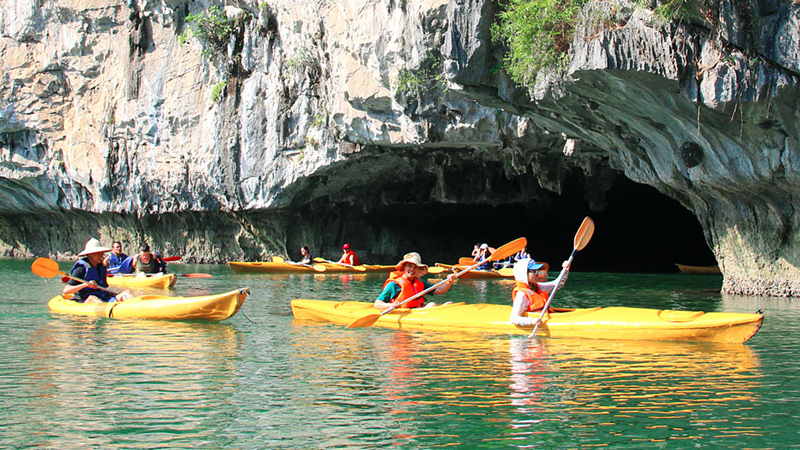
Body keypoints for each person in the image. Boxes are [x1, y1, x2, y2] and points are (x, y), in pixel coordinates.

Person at [374, 252, 456, 310]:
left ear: (418, 269)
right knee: (432, 305)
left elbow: (441, 290)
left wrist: (449, 281)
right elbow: (377, 303)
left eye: (415, 267)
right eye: (409, 266)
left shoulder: (420, 282)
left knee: (450, 304)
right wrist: (390, 305)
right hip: (405, 313)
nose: (412, 269)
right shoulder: (394, 285)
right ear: (403, 268)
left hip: (418, 310)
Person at [62, 238, 133, 304]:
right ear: (90, 254)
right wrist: (85, 284)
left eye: (101, 253)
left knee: (127, 292)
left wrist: (117, 295)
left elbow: (103, 288)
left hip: (103, 299)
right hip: (87, 300)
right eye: (98, 253)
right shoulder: (81, 269)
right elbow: (66, 291)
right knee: (93, 298)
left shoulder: (101, 267)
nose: (101, 256)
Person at [509, 258, 571, 326]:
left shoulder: (538, 287)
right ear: (524, 273)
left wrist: (565, 270)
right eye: (534, 272)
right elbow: (513, 318)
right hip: (534, 322)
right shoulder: (521, 295)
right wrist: (531, 321)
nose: (537, 275)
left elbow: (557, 285)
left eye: (538, 272)